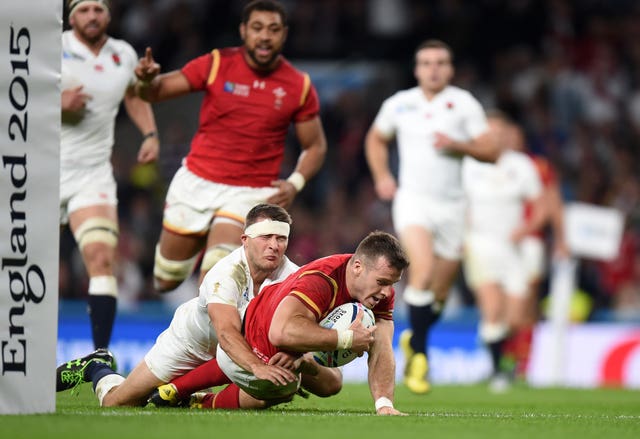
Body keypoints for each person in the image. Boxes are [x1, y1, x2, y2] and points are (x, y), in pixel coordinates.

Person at [56, 203, 342, 407]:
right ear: (245, 240)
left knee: (308, 386)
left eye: (281, 238)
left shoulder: (294, 278)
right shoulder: (225, 274)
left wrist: (305, 360)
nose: (274, 245)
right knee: (118, 403)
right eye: (266, 237)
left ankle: (193, 400)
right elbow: (228, 335)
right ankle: (97, 366)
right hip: (192, 342)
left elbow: (325, 372)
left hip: (240, 351)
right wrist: (259, 368)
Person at [134, 0, 327, 293]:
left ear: (284, 34)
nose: (265, 36)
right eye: (257, 28)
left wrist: (295, 183)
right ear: (243, 31)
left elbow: (315, 146)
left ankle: (213, 334)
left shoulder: (297, 85)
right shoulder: (216, 64)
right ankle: (195, 240)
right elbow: (155, 92)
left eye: (273, 30)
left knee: (217, 279)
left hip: (249, 194)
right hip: (197, 183)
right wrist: (147, 82)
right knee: (165, 279)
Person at [364, 39, 498, 394]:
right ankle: (421, 356)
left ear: (450, 69)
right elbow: (375, 139)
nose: (433, 68)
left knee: (438, 292)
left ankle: (415, 339)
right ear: (417, 69)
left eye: (440, 62)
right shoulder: (400, 104)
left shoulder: (463, 104)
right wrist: (382, 176)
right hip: (414, 201)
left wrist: (460, 145)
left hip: (453, 207)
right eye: (426, 62)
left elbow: (491, 149)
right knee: (419, 272)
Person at [188, 231, 410, 415]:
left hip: (292, 335)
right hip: (257, 328)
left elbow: (381, 345)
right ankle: (179, 389)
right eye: (382, 282)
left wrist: (384, 404)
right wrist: (346, 339)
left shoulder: (381, 292)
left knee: (331, 383)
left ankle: (200, 401)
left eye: (392, 284)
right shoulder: (322, 280)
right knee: (280, 385)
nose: (387, 292)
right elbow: (280, 332)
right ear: (358, 267)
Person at [60, 0, 159, 350]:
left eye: (97, 9)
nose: (91, 16)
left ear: (108, 14)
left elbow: (133, 95)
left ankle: (98, 356)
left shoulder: (123, 54)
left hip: (91, 175)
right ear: (71, 16)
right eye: (84, 9)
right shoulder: (50, 49)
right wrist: (56, 102)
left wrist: (149, 133)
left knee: (102, 259)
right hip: (40, 173)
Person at [461, 111, 547, 391]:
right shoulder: (468, 165)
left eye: (499, 133)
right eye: (489, 133)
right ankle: (499, 371)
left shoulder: (521, 166)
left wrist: (526, 228)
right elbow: (456, 201)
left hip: (513, 248)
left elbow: (542, 204)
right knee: (493, 308)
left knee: (516, 316)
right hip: (480, 244)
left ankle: (504, 362)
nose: (494, 138)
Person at [502, 120, 570, 378]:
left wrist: (561, 238)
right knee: (502, 300)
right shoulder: (489, 167)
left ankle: (518, 360)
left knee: (526, 300)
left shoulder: (537, 166)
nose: (507, 140)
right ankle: (506, 356)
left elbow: (552, 203)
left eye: (512, 135)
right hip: (499, 243)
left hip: (529, 242)